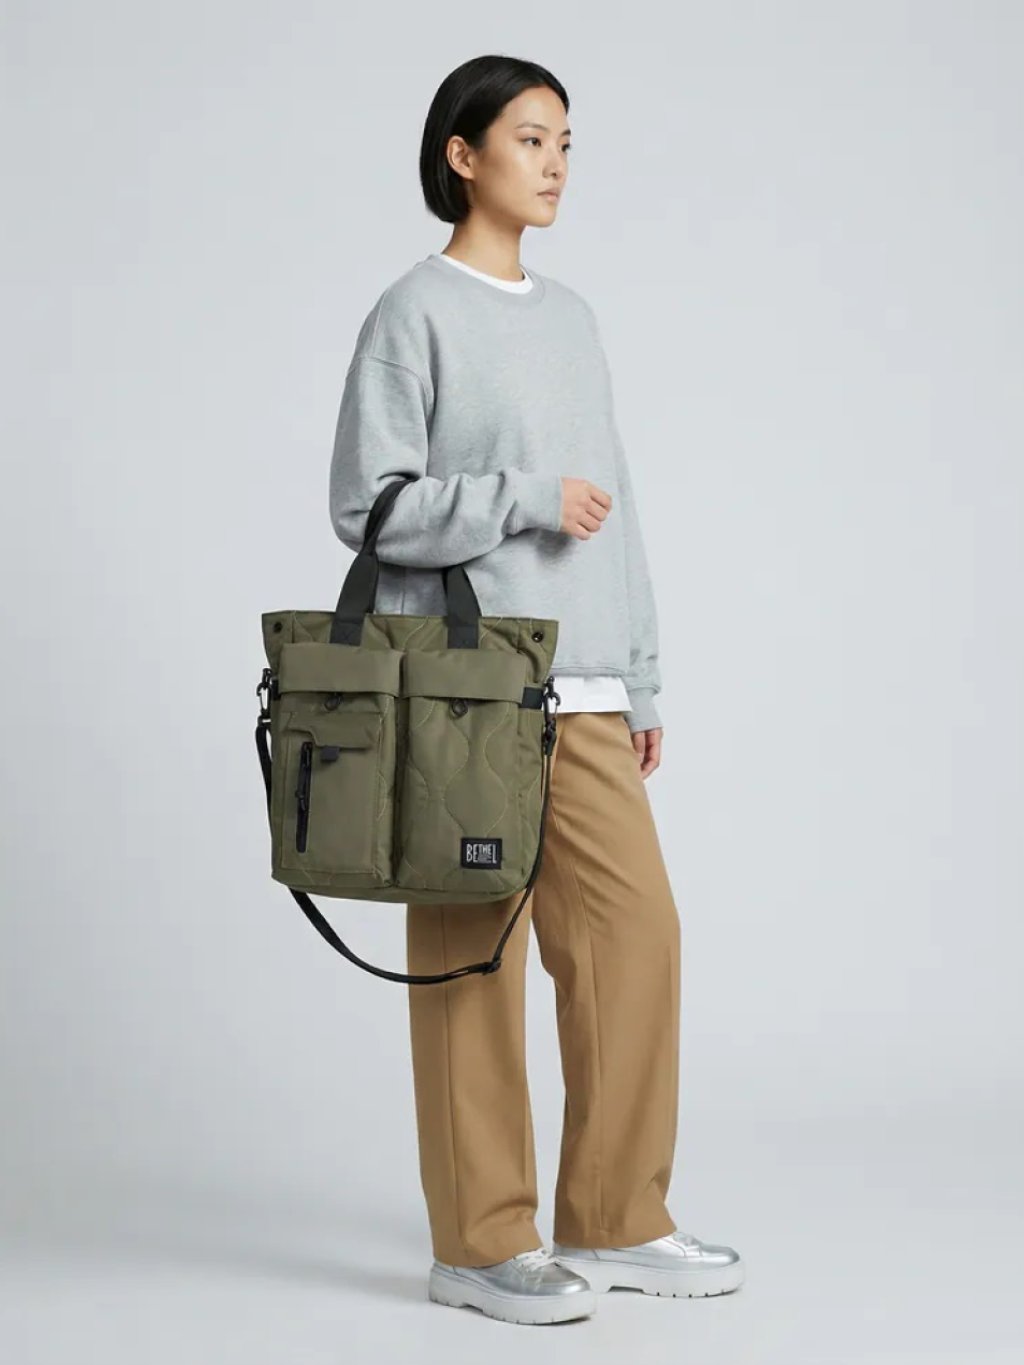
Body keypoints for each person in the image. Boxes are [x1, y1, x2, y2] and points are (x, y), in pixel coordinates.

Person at [328, 53, 743, 1326]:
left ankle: (615, 1213)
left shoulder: (573, 319)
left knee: (634, 939)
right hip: (463, 694)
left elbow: (619, 511)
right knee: (472, 959)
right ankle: (480, 1240)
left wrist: (643, 679)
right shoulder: (413, 311)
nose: (554, 163)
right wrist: (520, 499)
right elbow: (369, 504)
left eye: (566, 141)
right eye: (528, 138)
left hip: (585, 686)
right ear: (462, 156)